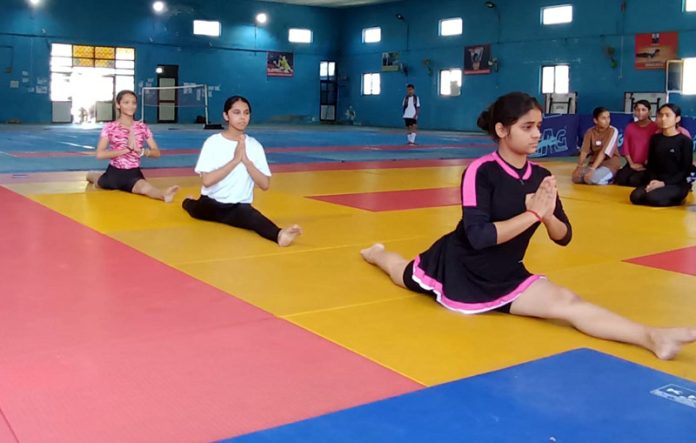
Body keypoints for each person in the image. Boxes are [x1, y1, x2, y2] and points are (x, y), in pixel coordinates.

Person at [361, 92, 696, 360]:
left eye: (539, 126)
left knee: (568, 303)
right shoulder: (480, 171)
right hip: (458, 267)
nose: (538, 134)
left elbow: (564, 236)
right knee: (402, 272)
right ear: (502, 130)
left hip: (507, 274)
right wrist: (532, 215)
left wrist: (548, 215)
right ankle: (377, 253)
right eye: (527, 127)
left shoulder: (542, 176)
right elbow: (478, 237)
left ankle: (653, 336)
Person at [182, 96, 302, 246]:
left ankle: (280, 235)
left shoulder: (255, 146)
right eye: (236, 112)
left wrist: (246, 162)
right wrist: (235, 160)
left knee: (253, 218)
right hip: (210, 204)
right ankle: (187, 201)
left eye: (246, 113)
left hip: (237, 207)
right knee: (192, 207)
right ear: (226, 115)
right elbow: (207, 181)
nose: (242, 117)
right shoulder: (213, 142)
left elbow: (265, 184)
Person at [86, 90, 179, 202]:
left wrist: (142, 152)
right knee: (93, 177)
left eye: (133, 103)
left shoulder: (142, 127)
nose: (131, 106)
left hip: (133, 173)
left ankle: (163, 195)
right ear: (118, 104)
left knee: (145, 188)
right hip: (113, 174)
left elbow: (157, 153)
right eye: (126, 102)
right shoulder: (110, 127)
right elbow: (100, 154)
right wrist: (127, 150)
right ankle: (91, 174)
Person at [630, 103, 694, 207]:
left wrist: (664, 183)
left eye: (668, 115)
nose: (663, 118)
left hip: (677, 183)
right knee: (635, 197)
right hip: (657, 180)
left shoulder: (685, 141)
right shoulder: (655, 139)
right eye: (660, 115)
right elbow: (651, 164)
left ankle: (677, 199)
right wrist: (653, 181)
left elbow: (685, 170)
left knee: (652, 198)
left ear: (677, 119)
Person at [614, 100, 658, 187]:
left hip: (647, 165)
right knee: (621, 179)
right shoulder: (630, 127)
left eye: (643, 110)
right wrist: (631, 164)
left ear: (649, 111)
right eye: (637, 110)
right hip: (632, 163)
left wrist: (645, 165)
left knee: (634, 181)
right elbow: (626, 148)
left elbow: (656, 148)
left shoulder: (655, 127)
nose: (640, 112)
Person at [572, 107, 621, 185]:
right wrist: (579, 167)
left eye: (608, 117)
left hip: (609, 164)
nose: (607, 121)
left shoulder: (613, 131)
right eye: (603, 118)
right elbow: (584, 151)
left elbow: (603, 153)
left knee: (590, 178)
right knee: (575, 178)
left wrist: (592, 169)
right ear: (595, 120)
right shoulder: (589, 132)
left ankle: (612, 178)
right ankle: (598, 176)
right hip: (594, 163)